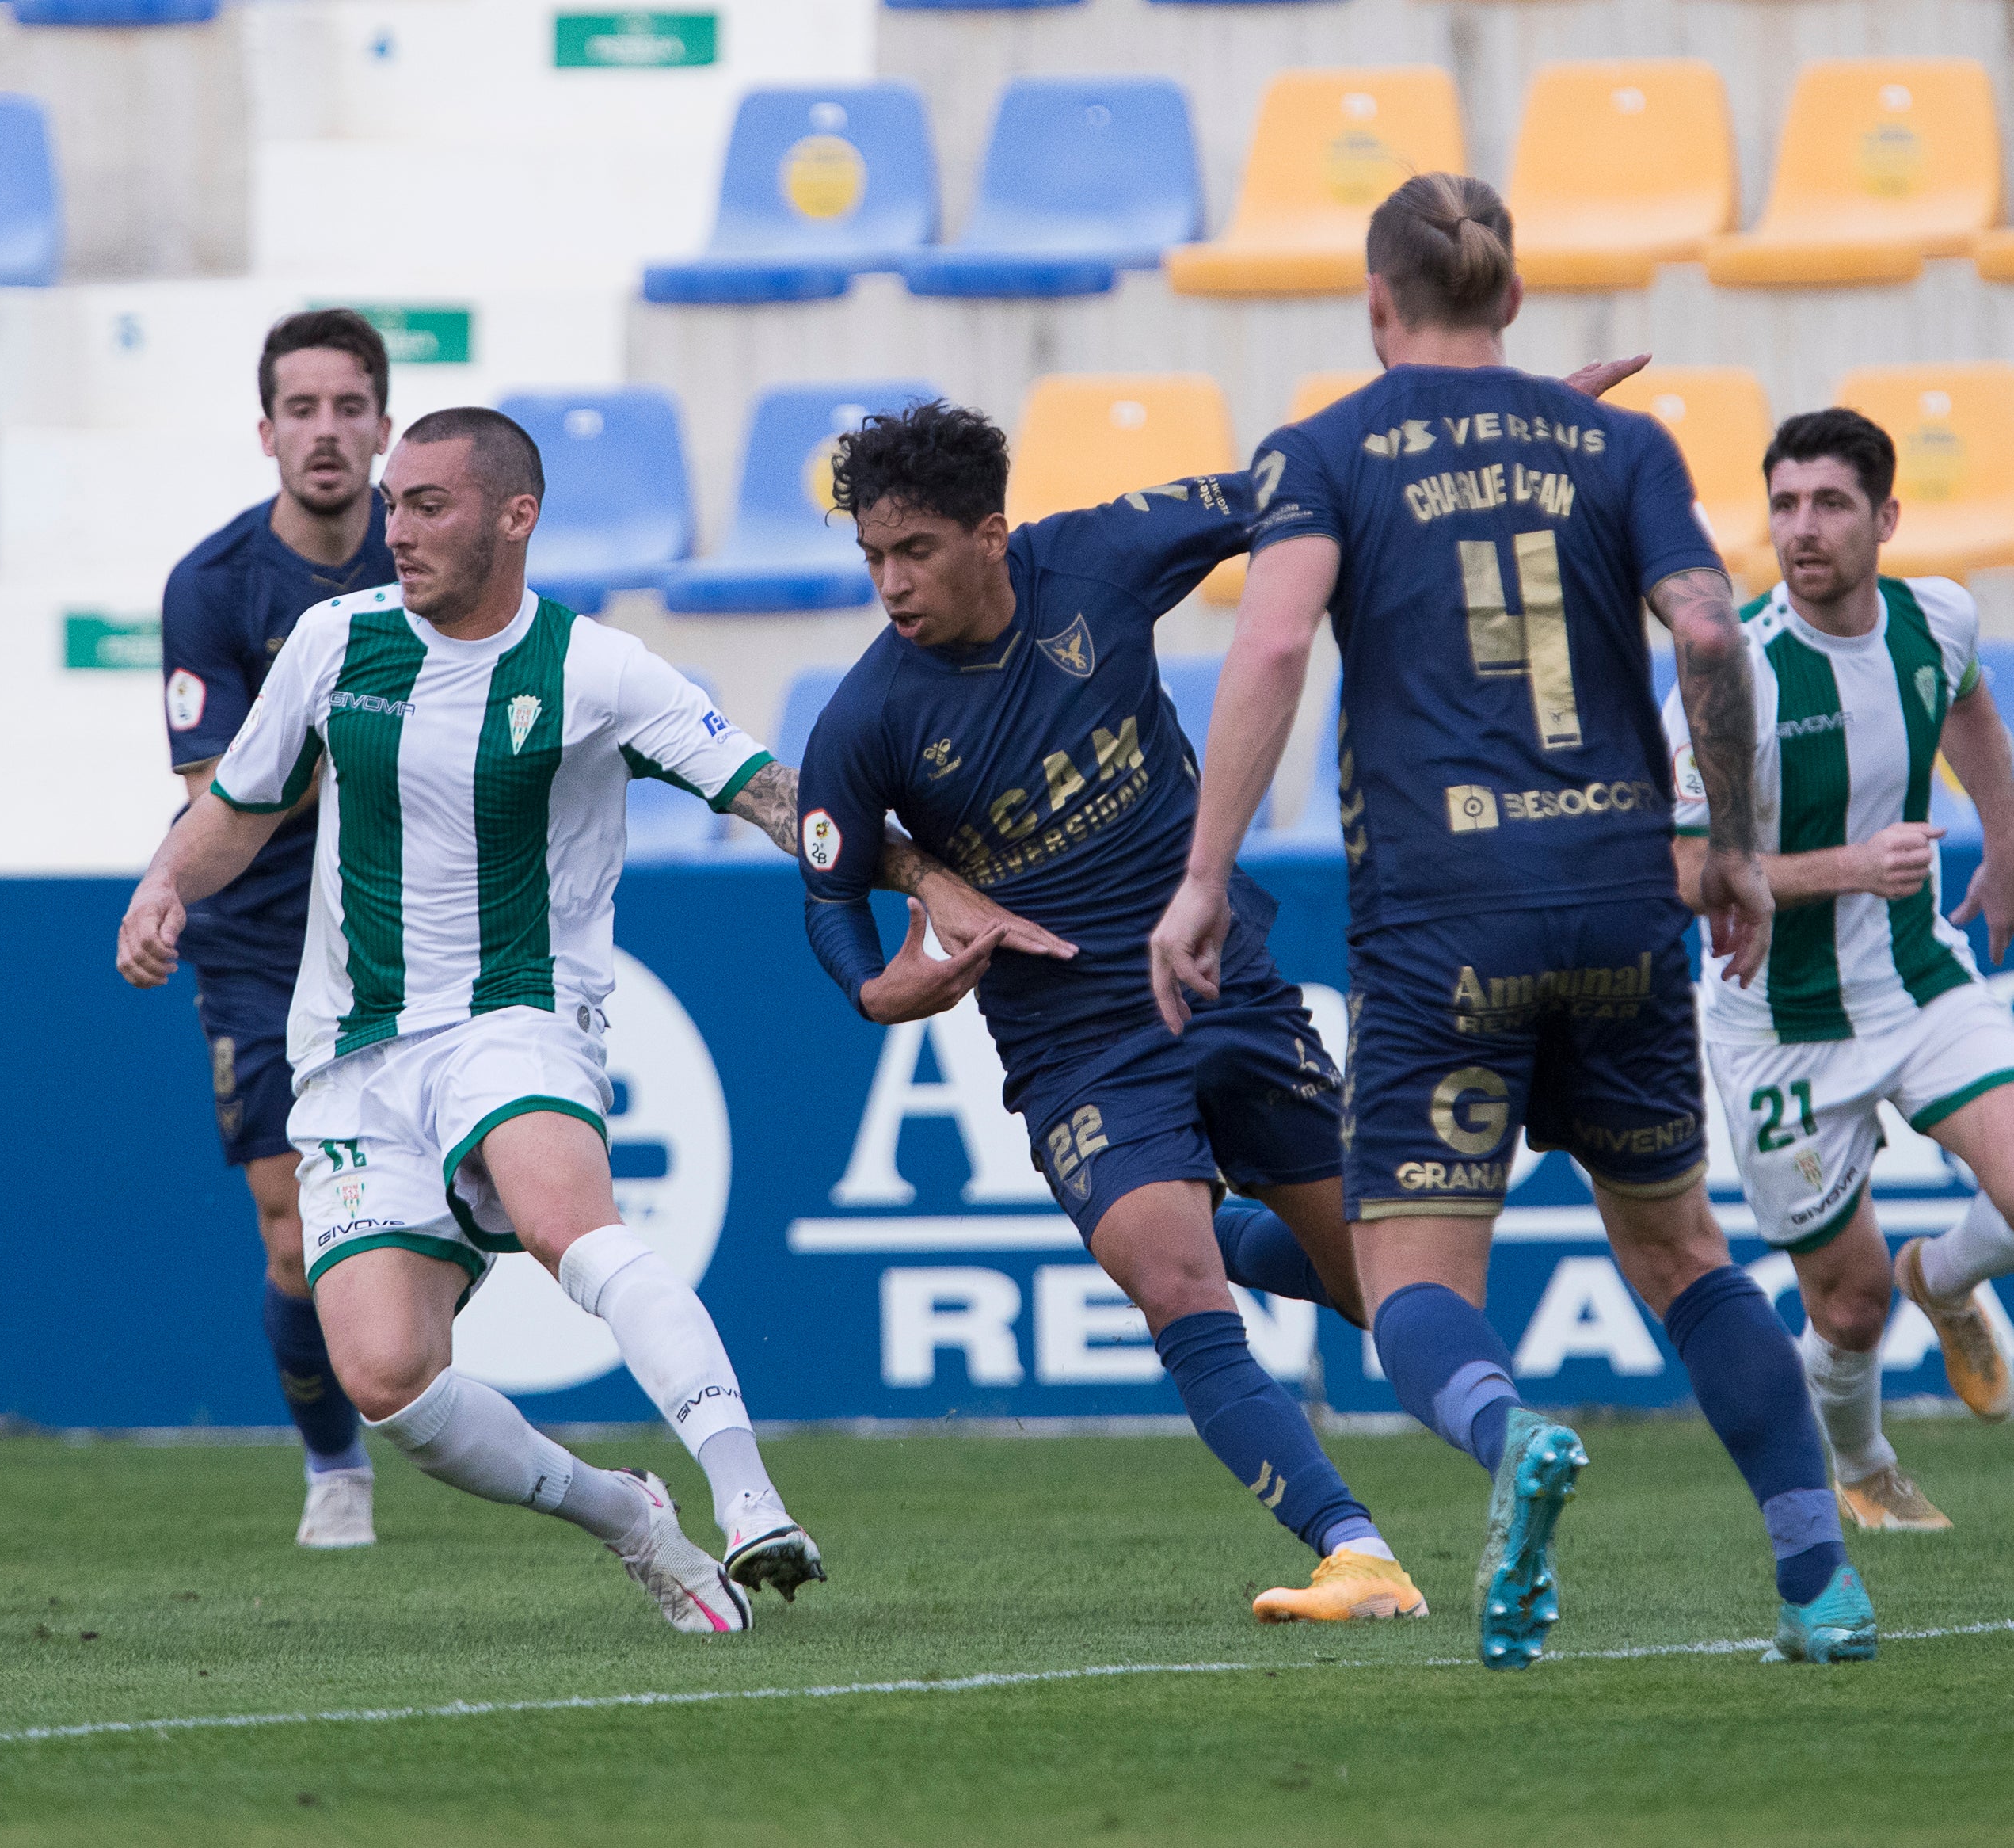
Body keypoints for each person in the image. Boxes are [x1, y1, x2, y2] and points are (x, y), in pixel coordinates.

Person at [1151, 171, 1875, 1668]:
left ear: (1373, 304)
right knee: (1682, 1253)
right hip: (1618, 900)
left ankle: (1517, 1432)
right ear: (1518, 298)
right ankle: (1823, 1582)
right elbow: (1705, 630)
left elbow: (1276, 637)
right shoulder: (1620, 444)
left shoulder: (1327, 451)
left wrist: (1206, 875)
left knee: (1415, 1282)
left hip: (1440, 916)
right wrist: (1735, 846)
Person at [120, 406, 951, 1631]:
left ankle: (750, 1495)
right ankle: (631, 1518)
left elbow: (777, 798)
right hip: (353, 1053)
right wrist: (159, 882)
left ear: (517, 516)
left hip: (518, 1013)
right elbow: (238, 806)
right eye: (394, 504)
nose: (396, 530)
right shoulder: (333, 641)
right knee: (390, 1378)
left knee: (570, 1226)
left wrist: (932, 880)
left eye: (429, 505)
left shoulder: (595, 668)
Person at [795, 399, 1432, 1626]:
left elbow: (1287, 489)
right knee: (1175, 1286)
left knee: (1387, 1290)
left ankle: (1240, 1232)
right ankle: (1356, 1552)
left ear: (992, 534)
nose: (889, 582)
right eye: (872, 556)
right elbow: (828, 894)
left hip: (1221, 979)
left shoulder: (1098, 557)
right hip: (1077, 1045)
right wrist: (883, 989)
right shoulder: (865, 719)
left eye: (914, 550)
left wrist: (1491, 429)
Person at [1663, 406, 2014, 1530]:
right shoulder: (1736, 675)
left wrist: (2003, 847)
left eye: (1829, 504)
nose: (1801, 529)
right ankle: (1864, 1467)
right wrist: (1852, 865)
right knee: (1849, 1307)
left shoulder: (1939, 615)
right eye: (1783, 505)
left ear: (1887, 517)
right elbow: (1680, 869)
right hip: (1781, 1024)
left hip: (1917, 982)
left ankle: (1947, 1274)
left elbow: (1968, 707)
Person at [151, 309, 398, 1549]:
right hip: (257, 942)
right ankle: (333, 1462)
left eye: (348, 406)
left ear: (385, 426)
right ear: (265, 431)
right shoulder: (211, 588)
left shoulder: (432, 560)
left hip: (413, 929)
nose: (326, 431)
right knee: (294, 1230)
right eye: (301, 409)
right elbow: (219, 796)